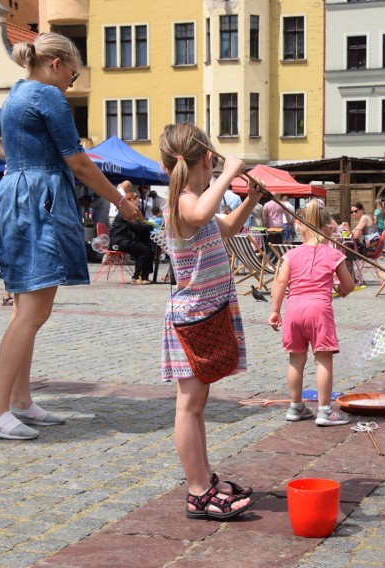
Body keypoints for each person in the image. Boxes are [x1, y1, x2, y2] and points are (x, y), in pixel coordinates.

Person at [0, 32, 143, 440]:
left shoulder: (17, 94)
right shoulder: (48, 96)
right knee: (33, 311)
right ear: (55, 64)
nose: (73, 81)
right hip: (39, 202)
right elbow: (80, 164)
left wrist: (20, 162)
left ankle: (19, 401)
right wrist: (121, 201)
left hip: (15, 195)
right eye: (74, 72)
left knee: (24, 306)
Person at [159, 122, 258, 520]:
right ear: (207, 161)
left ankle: (205, 479)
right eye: (215, 165)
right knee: (189, 406)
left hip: (206, 314)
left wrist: (250, 199)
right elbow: (200, 214)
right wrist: (229, 173)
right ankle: (198, 490)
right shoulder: (184, 202)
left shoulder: (197, 204)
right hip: (193, 320)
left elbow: (228, 227)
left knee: (197, 406)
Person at [268, 199, 356, 426]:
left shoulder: (292, 254)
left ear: (301, 228)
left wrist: (275, 311)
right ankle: (325, 411)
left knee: (295, 361)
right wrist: (341, 290)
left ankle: (295, 406)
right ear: (327, 228)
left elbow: (280, 282)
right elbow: (348, 285)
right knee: (323, 360)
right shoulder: (333, 254)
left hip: (294, 310)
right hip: (319, 310)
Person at [111, 191, 154, 284]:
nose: (138, 204)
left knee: (148, 248)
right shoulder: (125, 212)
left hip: (126, 239)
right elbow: (137, 226)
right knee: (145, 250)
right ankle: (136, 277)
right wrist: (150, 226)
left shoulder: (130, 212)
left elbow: (140, 224)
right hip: (120, 241)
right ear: (130, 201)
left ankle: (144, 277)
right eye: (137, 202)